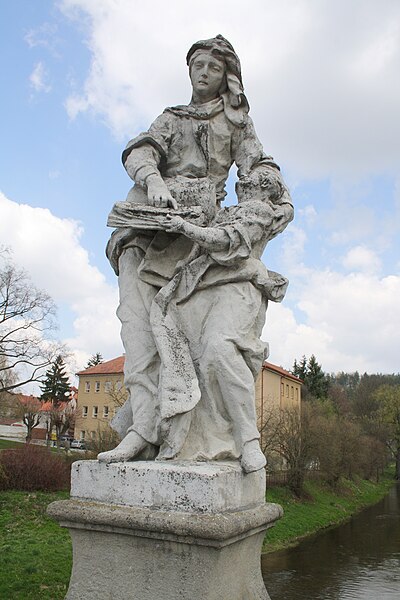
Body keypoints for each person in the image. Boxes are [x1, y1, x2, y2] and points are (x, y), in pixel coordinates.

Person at [98, 35, 293, 472]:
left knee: (206, 344)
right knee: (137, 331)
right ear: (189, 70)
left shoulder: (236, 122)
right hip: (145, 231)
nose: (203, 73)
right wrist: (155, 182)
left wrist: (266, 190)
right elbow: (141, 150)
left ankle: (207, 434)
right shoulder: (172, 118)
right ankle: (143, 428)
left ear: (228, 77)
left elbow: (259, 166)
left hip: (196, 238)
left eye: (214, 68)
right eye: (198, 65)